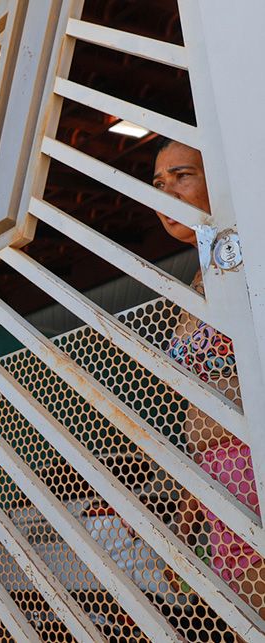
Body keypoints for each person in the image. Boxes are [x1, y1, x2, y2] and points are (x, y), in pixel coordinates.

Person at [152, 139, 264, 616]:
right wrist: (188, 502)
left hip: (250, 472)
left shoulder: (248, 260)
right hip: (215, 480)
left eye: (183, 176)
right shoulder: (199, 280)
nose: (167, 193)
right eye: (159, 184)